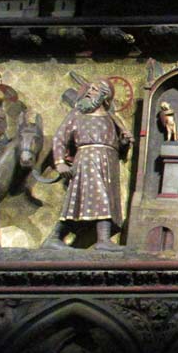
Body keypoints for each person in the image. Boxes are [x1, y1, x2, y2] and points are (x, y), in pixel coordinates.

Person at [41, 79, 133, 251]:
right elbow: (60, 137)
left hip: (108, 163)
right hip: (87, 160)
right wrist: (60, 163)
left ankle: (100, 240)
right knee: (93, 198)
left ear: (105, 96)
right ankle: (58, 238)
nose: (89, 92)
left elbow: (116, 147)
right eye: (90, 89)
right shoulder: (78, 114)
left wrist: (123, 142)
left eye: (95, 90)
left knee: (104, 199)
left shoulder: (111, 119)